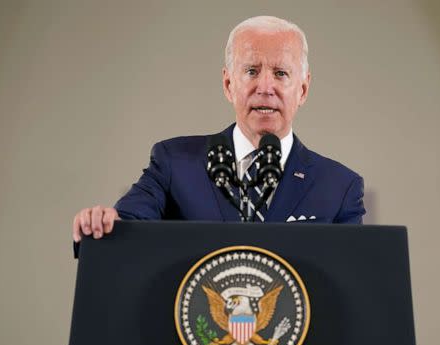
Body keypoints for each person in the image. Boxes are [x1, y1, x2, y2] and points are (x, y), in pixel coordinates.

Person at [72, 16, 365, 242]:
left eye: (280, 73)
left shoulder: (339, 187)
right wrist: (104, 224)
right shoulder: (174, 163)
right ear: (228, 84)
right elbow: (128, 223)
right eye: (251, 71)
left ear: (302, 89)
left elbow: (352, 280)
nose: (265, 87)